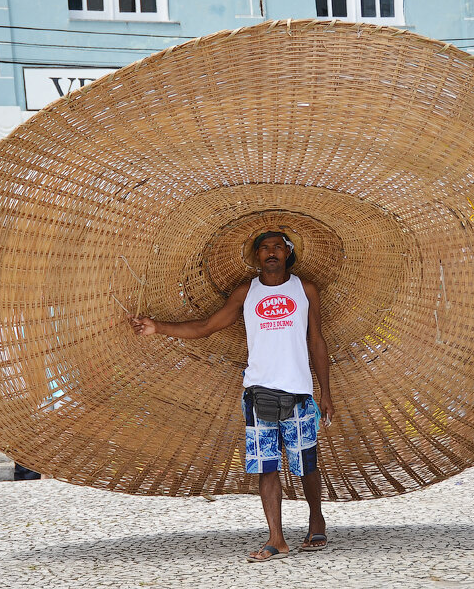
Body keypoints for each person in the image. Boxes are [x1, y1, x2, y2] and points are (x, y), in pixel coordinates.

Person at [131, 231, 335, 562]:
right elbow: (207, 326)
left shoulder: (304, 289)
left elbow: (317, 340)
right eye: (264, 248)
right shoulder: (247, 292)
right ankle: (277, 538)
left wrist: (325, 392)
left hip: (298, 391)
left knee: (306, 463)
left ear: (288, 253)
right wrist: (158, 327)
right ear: (256, 257)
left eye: (277, 247)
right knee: (266, 466)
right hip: (258, 392)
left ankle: (316, 518)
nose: (271, 253)